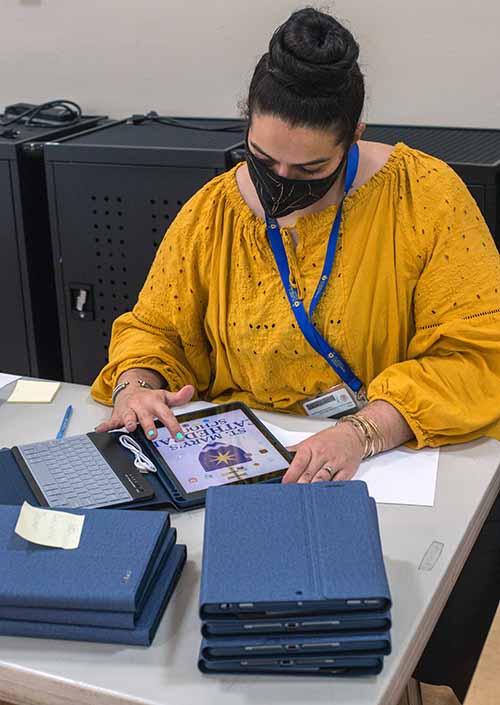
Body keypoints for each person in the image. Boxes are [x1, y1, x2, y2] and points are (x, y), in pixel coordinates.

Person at [91, 8, 500, 699]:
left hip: (391, 464)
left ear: (355, 137)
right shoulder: (216, 211)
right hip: (251, 474)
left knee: (359, 636)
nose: (280, 179)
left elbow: (477, 355)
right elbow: (153, 327)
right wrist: (139, 382)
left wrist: (365, 427)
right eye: (264, 156)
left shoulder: (425, 200)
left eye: (309, 167)